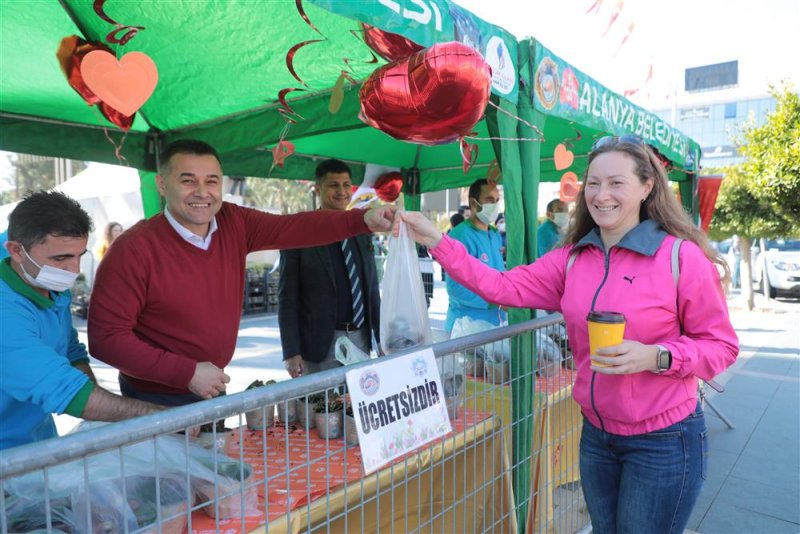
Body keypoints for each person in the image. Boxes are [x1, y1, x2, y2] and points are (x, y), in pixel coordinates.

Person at [397, 136, 739, 534]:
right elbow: (501, 286)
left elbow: (722, 346)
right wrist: (438, 241)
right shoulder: (572, 259)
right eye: (593, 183)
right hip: (597, 437)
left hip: (663, 441)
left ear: (647, 187)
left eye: (616, 183)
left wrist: (657, 356)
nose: (601, 195)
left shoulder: (681, 257)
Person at [88, 140, 395, 408]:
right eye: (187, 180)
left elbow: (295, 227)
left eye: (211, 181)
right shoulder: (133, 249)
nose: (202, 192)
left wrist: (363, 219)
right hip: (154, 398)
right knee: (168, 474)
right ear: (161, 184)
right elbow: (106, 338)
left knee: (210, 472)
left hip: (211, 387)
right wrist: (187, 372)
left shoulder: (234, 222)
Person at [0, 191, 163, 449]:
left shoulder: (47, 281)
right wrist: (158, 417)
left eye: (79, 255)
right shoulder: (6, 311)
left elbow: (72, 352)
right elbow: (63, 390)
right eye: (61, 258)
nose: (74, 270)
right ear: (17, 251)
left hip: (36, 443)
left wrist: (101, 416)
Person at [279, 159, 381, 378]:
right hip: (320, 344)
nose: (342, 191)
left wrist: (381, 338)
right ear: (318, 189)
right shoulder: (298, 231)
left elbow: (371, 288)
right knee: (324, 409)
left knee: (357, 407)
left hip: (361, 339)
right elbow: (288, 297)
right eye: (334, 185)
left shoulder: (361, 229)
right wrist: (291, 351)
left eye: (346, 185)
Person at [444, 179, 506, 332]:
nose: (495, 205)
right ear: (473, 203)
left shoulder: (494, 233)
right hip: (467, 326)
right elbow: (454, 288)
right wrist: (492, 301)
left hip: (496, 323)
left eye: (497, 201)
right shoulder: (460, 236)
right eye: (489, 200)